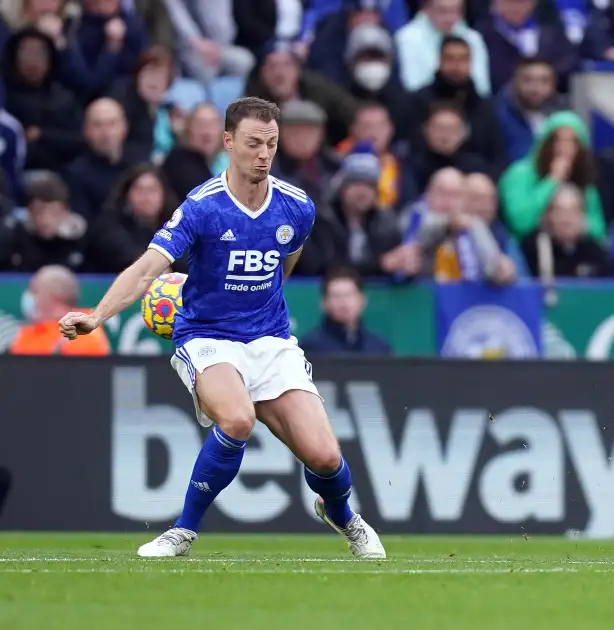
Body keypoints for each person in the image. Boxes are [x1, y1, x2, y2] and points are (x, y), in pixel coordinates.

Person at [57, 97, 385, 560]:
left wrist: (264, 307)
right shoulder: (202, 206)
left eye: (271, 144)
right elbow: (149, 268)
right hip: (208, 337)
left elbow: (283, 265)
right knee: (237, 419)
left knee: (326, 457)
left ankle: (344, 516)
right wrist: (96, 316)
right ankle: (182, 532)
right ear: (228, 142)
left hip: (270, 341)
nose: (263, 154)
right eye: (253, 143)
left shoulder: (297, 208)